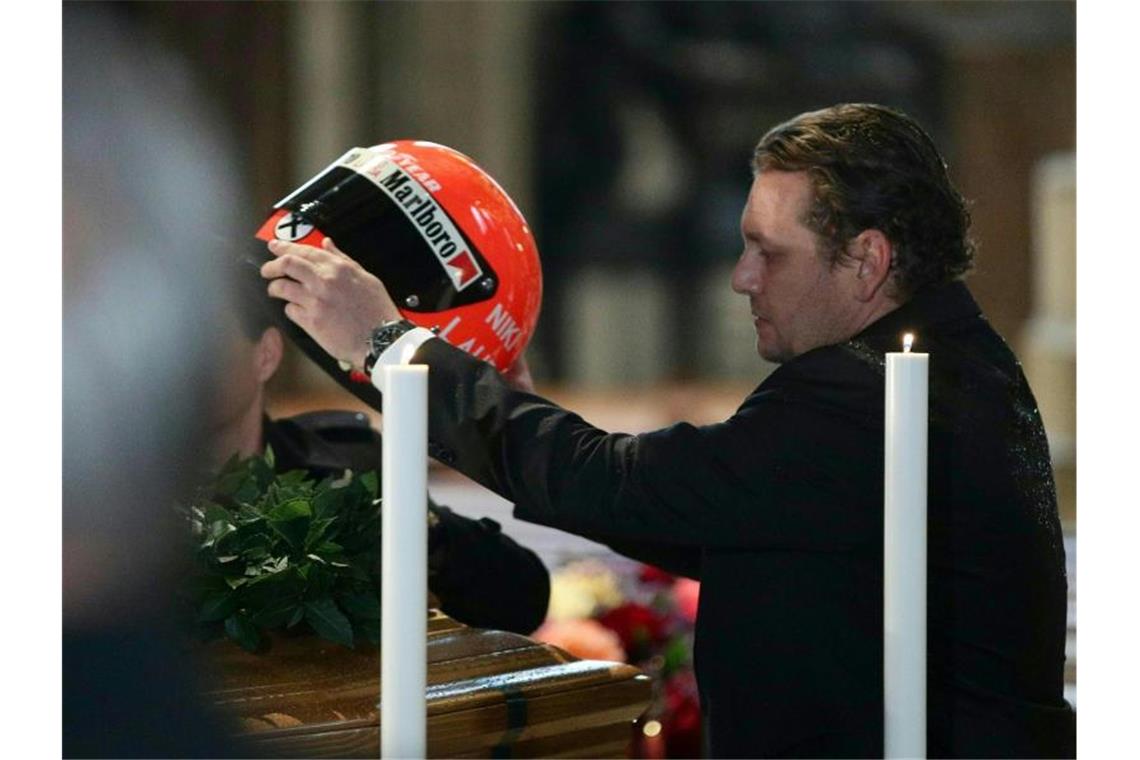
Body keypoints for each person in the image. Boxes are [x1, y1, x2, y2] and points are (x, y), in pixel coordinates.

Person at [260, 104, 1074, 758]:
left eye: (768, 252)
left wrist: (388, 342)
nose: (740, 277)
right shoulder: (936, 366)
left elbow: (631, 486)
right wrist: (519, 419)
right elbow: (704, 515)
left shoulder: (875, 394)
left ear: (866, 260)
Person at [210, 282, 550, 636]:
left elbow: (522, 602)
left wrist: (423, 531)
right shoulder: (146, 505)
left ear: (265, 355)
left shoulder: (344, 470)